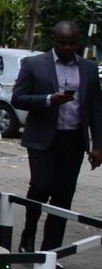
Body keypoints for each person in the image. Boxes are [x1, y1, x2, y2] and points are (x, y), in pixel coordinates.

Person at [12, 21, 102, 252]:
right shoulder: (33, 64)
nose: (67, 48)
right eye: (62, 43)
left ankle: (51, 251)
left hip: (72, 140)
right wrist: (49, 99)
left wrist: (98, 145)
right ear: (54, 41)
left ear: (77, 42)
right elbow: (18, 98)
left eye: (72, 43)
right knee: (41, 186)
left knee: (63, 196)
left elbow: (95, 109)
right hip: (42, 139)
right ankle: (28, 235)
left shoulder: (89, 68)